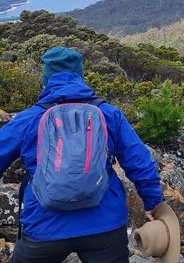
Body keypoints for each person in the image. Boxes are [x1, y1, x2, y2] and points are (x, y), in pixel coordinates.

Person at [0, 46, 165, 263]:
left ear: (45, 80)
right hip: (104, 225)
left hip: (45, 227)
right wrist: (153, 203)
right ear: (81, 76)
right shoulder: (109, 114)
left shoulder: (29, 119)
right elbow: (141, 163)